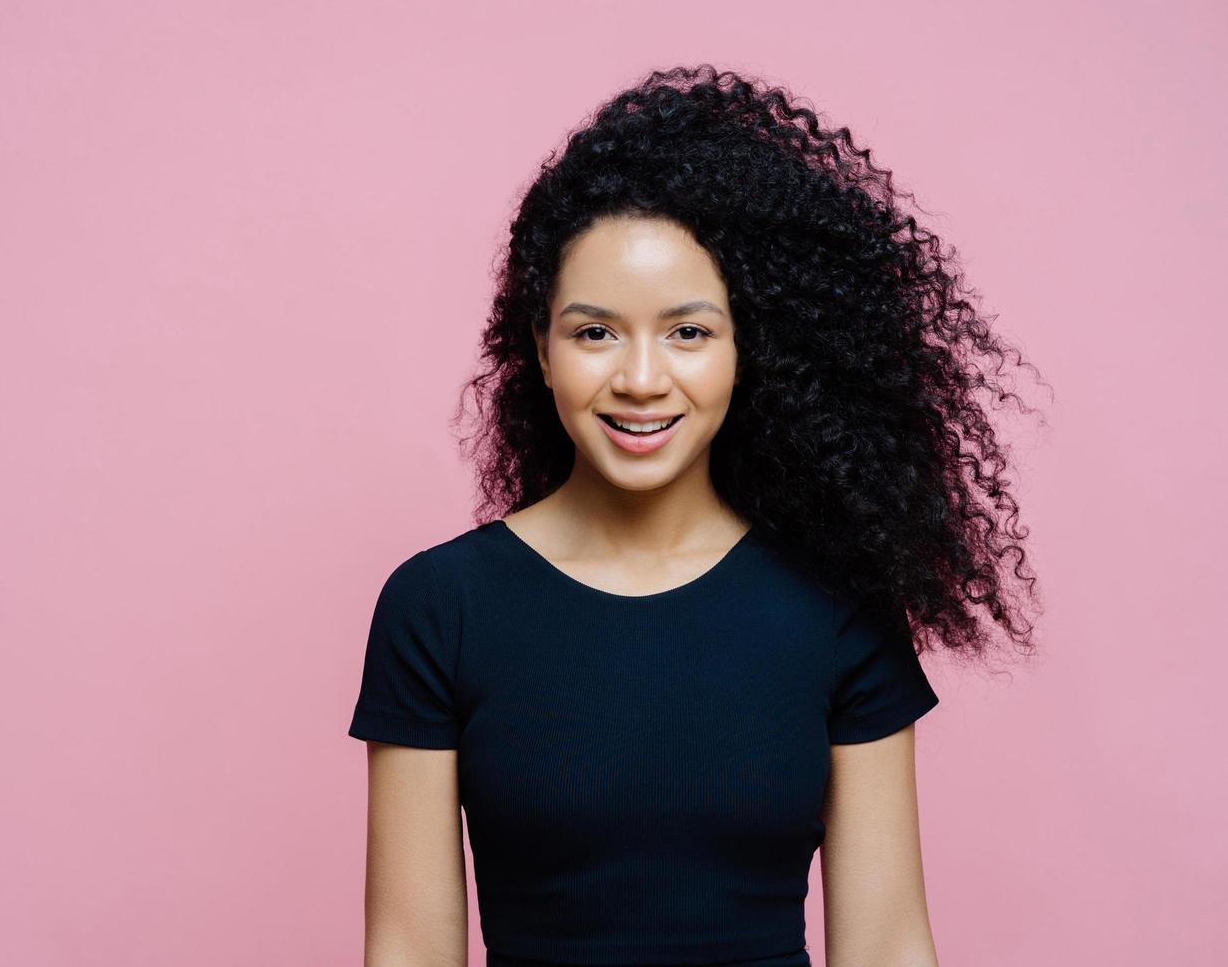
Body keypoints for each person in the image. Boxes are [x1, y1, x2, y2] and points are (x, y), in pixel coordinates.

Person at [347, 64, 1043, 967]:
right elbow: (405, 948)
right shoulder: (439, 608)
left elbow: (885, 944)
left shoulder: (836, 607)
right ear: (540, 348)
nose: (641, 379)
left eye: (689, 331)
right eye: (596, 331)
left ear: (749, 350)